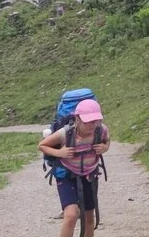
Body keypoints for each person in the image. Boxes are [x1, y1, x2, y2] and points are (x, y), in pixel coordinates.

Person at [37, 99, 110, 237]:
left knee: (89, 216)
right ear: (77, 119)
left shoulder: (101, 130)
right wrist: (59, 152)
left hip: (90, 175)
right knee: (71, 215)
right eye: (88, 121)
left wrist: (105, 147)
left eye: (95, 121)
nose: (92, 125)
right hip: (66, 175)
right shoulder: (65, 133)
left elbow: (107, 140)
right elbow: (42, 145)